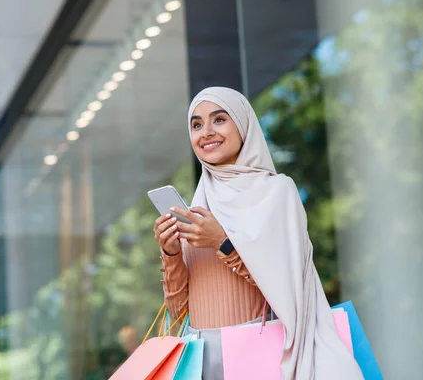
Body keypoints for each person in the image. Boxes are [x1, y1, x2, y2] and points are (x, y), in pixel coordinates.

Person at [153, 87, 363, 379]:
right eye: (197, 124)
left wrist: (223, 243)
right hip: (201, 362)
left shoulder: (277, 193)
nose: (207, 132)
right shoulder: (199, 205)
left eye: (219, 119)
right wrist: (171, 252)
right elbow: (179, 311)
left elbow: (288, 289)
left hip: (256, 357)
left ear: (243, 124)